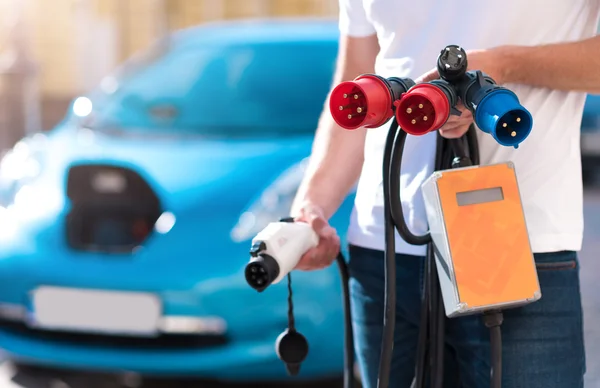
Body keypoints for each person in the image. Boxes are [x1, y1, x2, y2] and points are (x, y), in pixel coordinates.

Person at [290, 0, 600, 387]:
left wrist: (504, 64)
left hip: (520, 251)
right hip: (384, 250)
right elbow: (356, 75)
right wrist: (311, 207)